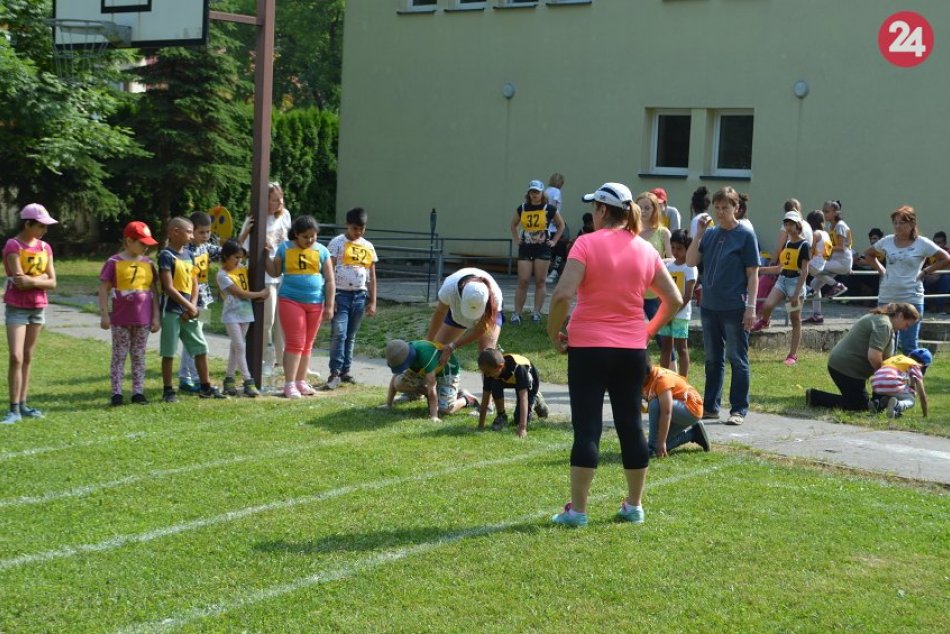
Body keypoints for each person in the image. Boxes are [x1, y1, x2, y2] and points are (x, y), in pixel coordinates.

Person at [547, 182, 682, 527]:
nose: (592, 214)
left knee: (587, 428)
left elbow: (562, 295)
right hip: (631, 351)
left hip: (589, 349)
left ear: (603, 211)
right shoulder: (645, 249)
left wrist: (553, 334)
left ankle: (578, 511)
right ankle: (634, 506)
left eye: (594, 208)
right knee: (630, 426)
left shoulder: (586, 243)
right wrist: (647, 331)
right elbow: (674, 300)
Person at [686, 186, 759, 426]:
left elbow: (753, 274)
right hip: (710, 306)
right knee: (712, 359)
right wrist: (698, 234)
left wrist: (751, 307)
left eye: (725, 208)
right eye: (717, 208)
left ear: (736, 208)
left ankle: (739, 409)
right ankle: (711, 407)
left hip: (734, 307)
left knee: (737, 358)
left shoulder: (745, 235)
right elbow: (690, 261)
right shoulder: (709, 234)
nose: (720, 212)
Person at [178, 211, 251, 392]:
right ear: (191, 231)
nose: (205, 236)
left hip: (204, 300)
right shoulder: (185, 252)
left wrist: (244, 234)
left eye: (208, 232)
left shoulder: (206, 248)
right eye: (201, 232)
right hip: (190, 300)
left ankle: (188, 376)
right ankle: (188, 377)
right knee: (194, 339)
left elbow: (229, 252)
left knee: (197, 337)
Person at [264, 215, 335, 398]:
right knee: (295, 343)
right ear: (296, 234)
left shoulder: (322, 251)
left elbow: (329, 280)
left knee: (308, 344)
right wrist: (265, 257)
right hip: (291, 300)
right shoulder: (285, 248)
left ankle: (300, 381)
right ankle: (289, 384)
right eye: (305, 237)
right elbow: (274, 271)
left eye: (313, 236)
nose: (310, 240)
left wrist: (329, 304)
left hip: (315, 303)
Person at [158, 217, 226, 402]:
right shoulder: (166, 256)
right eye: (188, 231)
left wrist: (193, 305)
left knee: (201, 347)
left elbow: (195, 282)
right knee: (169, 351)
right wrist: (187, 305)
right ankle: (168, 390)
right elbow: (168, 287)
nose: (191, 235)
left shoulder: (189, 254)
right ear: (174, 232)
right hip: (172, 311)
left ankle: (205, 386)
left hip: (190, 312)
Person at [805, 303, 919, 411]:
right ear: (900, 315)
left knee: (864, 402)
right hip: (846, 368)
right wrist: (885, 378)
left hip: (844, 365)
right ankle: (814, 396)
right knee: (860, 405)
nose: (905, 329)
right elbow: (874, 357)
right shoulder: (884, 325)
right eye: (907, 324)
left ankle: (879, 400)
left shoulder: (881, 319)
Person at [3, 204, 58, 424]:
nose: (44, 230)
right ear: (27, 224)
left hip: (38, 308)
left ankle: (23, 405)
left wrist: (33, 281)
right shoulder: (13, 245)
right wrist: (40, 281)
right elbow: (19, 281)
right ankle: (13, 408)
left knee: (27, 356)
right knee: (15, 356)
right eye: (41, 226)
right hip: (16, 307)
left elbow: (53, 282)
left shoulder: (45, 247)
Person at [867, 206, 949, 353]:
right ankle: (888, 376)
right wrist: (881, 270)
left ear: (912, 224)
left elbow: (945, 258)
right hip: (888, 297)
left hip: (911, 298)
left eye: (902, 223)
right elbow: (869, 254)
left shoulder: (922, 243)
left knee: (909, 345)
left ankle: (914, 375)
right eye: (895, 223)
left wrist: (925, 271)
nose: (897, 227)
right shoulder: (887, 241)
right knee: (885, 344)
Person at [98, 221, 161, 407]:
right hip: (120, 319)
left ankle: (138, 392)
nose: (146, 247)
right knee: (119, 355)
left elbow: (153, 291)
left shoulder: (149, 264)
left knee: (139, 355)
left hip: (143, 319)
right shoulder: (113, 263)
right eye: (142, 243)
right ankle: (116, 392)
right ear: (129, 241)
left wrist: (156, 316)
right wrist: (104, 315)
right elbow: (103, 289)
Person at [241, 182, 293, 375]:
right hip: (265, 276)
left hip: (283, 274)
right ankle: (265, 360)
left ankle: (282, 361)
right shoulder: (254, 218)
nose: (279, 202)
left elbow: (289, 241)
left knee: (283, 321)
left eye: (280, 199)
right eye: (274, 199)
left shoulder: (285, 215)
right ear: (265, 200)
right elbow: (242, 247)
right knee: (267, 321)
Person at [325, 207, 378, 390]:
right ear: (347, 225)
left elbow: (371, 274)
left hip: (359, 295)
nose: (358, 232)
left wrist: (373, 301)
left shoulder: (368, 246)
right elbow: (329, 269)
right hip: (340, 294)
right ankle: (334, 372)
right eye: (355, 228)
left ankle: (346, 371)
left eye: (362, 229)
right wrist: (328, 298)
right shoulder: (337, 243)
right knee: (339, 332)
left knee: (351, 335)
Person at [752, 211, 810, 366]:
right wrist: (762, 270)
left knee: (794, 319)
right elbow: (780, 268)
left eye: (791, 224)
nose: (789, 227)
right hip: (783, 279)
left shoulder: (804, 245)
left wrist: (796, 293)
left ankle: (792, 355)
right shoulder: (788, 244)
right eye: (786, 224)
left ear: (798, 226)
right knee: (768, 305)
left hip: (795, 282)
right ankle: (764, 321)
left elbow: (805, 271)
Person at [216, 239, 268, 397]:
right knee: (240, 346)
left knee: (235, 348)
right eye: (235, 258)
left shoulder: (242, 268)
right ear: (226, 256)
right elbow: (239, 293)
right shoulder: (222, 275)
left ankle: (229, 379)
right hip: (231, 315)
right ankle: (248, 380)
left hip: (246, 313)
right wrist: (260, 294)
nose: (239, 261)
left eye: (240, 258)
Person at [510, 179, 564, 324]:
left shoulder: (549, 208)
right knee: (523, 280)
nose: (534, 195)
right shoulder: (523, 208)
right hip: (526, 247)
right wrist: (516, 239)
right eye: (532, 192)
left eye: (537, 192)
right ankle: (517, 313)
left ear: (542, 193)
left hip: (542, 248)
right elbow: (513, 224)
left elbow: (561, 225)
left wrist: (554, 241)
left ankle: (536, 313)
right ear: (528, 193)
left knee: (540, 281)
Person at [383, 339, 476, 422]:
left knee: (445, 409)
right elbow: (395, 376)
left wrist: (434, 416)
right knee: (399, 383)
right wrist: (388, 404)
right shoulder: (402, 352)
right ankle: (417, 395)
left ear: (407, 360)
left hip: (446, 372)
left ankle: (467, 398)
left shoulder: (425, 355)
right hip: (424, 370)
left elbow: (432, 387)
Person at [427, 267, 503, 367]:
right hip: (458, 316)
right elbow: (440, 312)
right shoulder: (449, 289)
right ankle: (435, 380)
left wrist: (453, 346)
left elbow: (482, 329)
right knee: (437, 349)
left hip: (488, 312)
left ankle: (490, 382)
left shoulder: (494, 297)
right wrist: (429, 340)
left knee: (487, 355)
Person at [476, 348, 549, 439]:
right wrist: (480, 425)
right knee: (494, 382)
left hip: (529, 383)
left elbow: (523, 398)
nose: (486, 375)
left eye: (487, 373)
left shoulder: (519, 368)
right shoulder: (489, 371)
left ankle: (537, 399)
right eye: (484, 373)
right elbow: (485, 399)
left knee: (518, 420)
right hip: (509, 380)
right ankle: (501, 416)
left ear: (500, 366)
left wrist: (522, 427)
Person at [642, 365, 710, 457]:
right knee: (660, 445)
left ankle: (651, 446)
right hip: (677, 409)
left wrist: (660, 442)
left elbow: (666, 412)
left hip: (691, 409)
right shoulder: (643, 378)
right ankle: (694, 434)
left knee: (655, 404)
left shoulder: (661, 379)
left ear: (645, 375)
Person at [660, 229, 697, 377]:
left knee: (681, 348)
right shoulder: (668, 267)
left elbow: (688, 295)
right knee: (666, 347)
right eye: (673, 247)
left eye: (680, 248)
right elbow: (662, 289)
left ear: (687, 248)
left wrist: (673, 311)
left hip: (681, 315)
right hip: (666, 312)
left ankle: (682, 380)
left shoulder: (690, 268)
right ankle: (663, 379)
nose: (675, 251)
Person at [869, 348, 930, 419]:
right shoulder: (915, 365)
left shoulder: (896, 358)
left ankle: (877, 404)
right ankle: (897, 406)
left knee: (890, 392)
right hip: (892, 384)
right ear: (923, 366)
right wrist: (925, 415)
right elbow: (922, 395)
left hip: (876, 383)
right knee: (911, 399)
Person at [811, 199, 852, 298]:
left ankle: (836, 285)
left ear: (835, 213)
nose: (824, 214)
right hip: (835, 261)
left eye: (826, 211)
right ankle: (817, 313)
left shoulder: (840, 226)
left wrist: (824, 250)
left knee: (813, 266)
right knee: (814, 285)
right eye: (823, 211)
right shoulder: (830, 226)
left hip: (842, 261)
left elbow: (841, 247)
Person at [803, 210, 833, 324]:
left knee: (792, 270)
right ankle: (817, 315)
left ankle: (807, 289)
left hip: (813, 264)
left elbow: (810, 249)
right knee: (816, 286)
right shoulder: (826, 234)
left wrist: (805, 259)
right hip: (822, 263)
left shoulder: (815, 234)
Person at [922, 230, 950, 313]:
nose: (936, 245)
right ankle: (924, 308)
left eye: (939, 242)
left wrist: (937, 275)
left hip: (941, 279)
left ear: (944, 243)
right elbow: (924, 267)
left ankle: (940, 308)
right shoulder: (929, 253)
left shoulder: (948, 252)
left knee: (946, 278)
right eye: (935, 242)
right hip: (930, 279)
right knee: (921, 279)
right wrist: (927, 275)